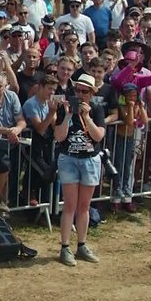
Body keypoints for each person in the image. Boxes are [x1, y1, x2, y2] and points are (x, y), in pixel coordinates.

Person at [53, 75, 107, 266]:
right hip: (69, 159)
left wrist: (87, 117)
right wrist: (68, 116)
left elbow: (98, 136)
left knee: (84, 206)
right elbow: (59, 137)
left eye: (85, 91)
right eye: (77, 90)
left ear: (92, 93)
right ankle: (65, 247)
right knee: (69, 205)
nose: (80, 95)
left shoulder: (98, 109)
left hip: (90, 160)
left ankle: (82, 245)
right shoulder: (65, 109)